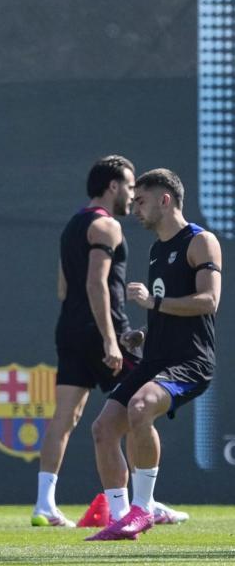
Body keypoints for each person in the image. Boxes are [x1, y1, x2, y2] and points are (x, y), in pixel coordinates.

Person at [86, 169, 221, 541]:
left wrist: (154, 302)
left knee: (141, 407)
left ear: (165, 199)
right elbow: (166, 311)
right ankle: (121, 520)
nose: (134, 208)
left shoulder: (200, 241)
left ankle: (142, 510)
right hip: (156, 359)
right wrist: (142, 332)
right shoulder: (158, 248)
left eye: (141, 201)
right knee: (103, 430)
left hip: (191, 362)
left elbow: (210, 301)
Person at [33, 155, 137, 527]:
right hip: (103, 330)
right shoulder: (107, 227)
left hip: (70, 328)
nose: (132, 193)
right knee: (140, 409)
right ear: (112, 186)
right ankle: (142, 503)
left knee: (64, 417)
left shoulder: (73, 226)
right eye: (129, 184)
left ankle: (44, 504)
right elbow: (96, 283)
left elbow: (64, 288)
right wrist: (110, 340)